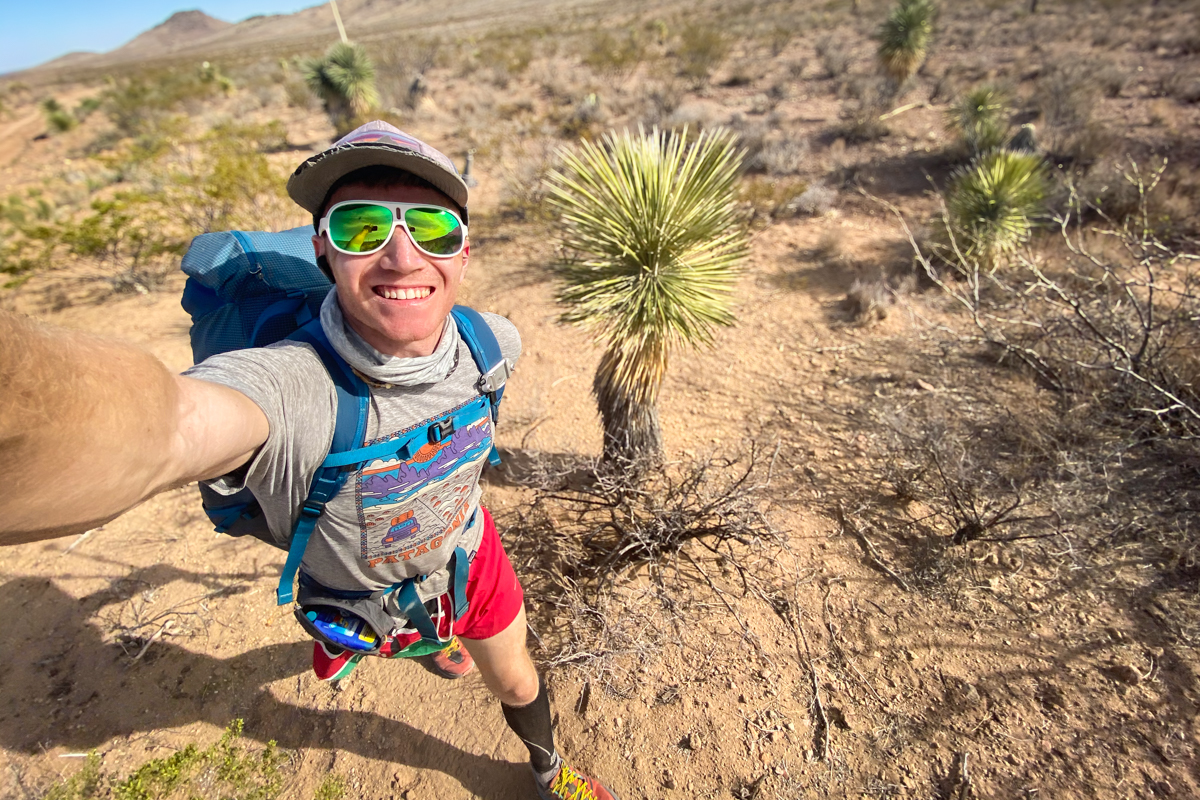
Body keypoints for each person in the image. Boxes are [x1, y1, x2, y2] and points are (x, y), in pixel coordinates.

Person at [0, 121, 618, 800]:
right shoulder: (292, 390)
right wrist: (17, 388)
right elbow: (167, 427)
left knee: (518, 680)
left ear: (463, 250)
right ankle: (395, 633)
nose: (402, 257)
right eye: (361, 228)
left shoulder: (494, 342)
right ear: (324, 247)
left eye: (432, 228)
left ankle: (546, 770)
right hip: (356, 592)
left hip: (469, 559)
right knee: (375, 628)